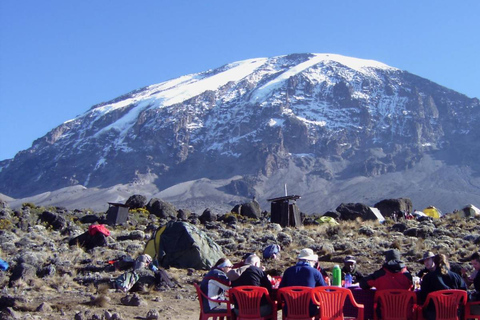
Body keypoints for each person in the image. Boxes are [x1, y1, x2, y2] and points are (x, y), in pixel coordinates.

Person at [418, 254, 467, 320]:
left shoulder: (428, 277)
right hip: (454, 312)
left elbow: (423, 296)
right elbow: (464, 293)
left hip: (434, 314)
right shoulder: (456, 277)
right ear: (446, 262)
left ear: (434, 263)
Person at [279, 248, 326, 317]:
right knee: (319, 310)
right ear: (310, 261)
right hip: (309, 310)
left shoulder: (288, 271)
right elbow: (325, 290)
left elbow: (281, 290)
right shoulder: (315, 272)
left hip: (289, 309)